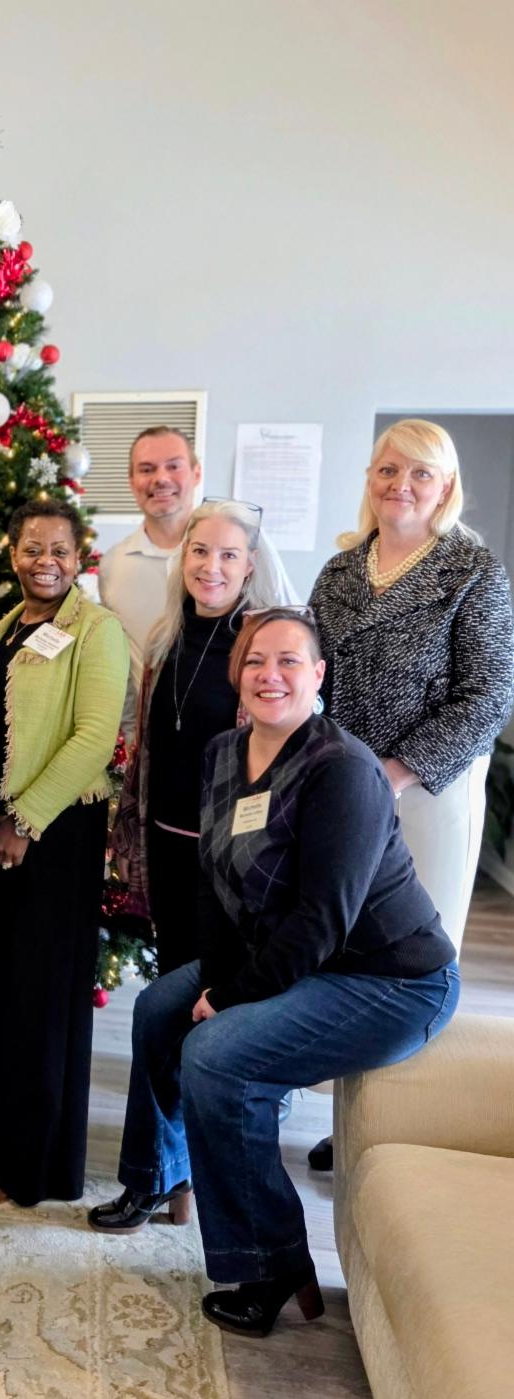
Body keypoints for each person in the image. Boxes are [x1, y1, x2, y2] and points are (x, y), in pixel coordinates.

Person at [88, 609, 459, 1340]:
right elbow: (214, 882)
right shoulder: (226, 752)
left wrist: (230, 997)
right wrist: (212, 980)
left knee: (217, 1057)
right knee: (160, 1008)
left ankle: (271, 1262)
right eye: (256, 661)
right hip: (289, 952)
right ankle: (159, 1176)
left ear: (318, 675)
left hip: (389, 979)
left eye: (290, 661)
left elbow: (324, 920)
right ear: (239, 674)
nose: (271, 675)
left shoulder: (343, 769)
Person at [305, 418, 514, 1172]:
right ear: (370, 478)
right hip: (345, 786)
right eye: (389, 469)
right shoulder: (340, 570)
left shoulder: (473, 571)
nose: (402, 485)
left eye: (421, 472)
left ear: (445, 486)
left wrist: (398, 770)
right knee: (345, 952)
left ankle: (401, 1121)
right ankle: (350, 1114)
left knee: (411, 962)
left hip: (428, 790)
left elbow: (490, 694)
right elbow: (312, 672)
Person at [0, 500, 128, 1210]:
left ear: (78, 555)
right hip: (1, 825)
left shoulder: (96, 628)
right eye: (32, 548)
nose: (46, 561)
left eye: (59, 549)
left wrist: (25, 822)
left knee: (38, 996)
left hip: (56, 832)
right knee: (2, 987)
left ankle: (25, 1168)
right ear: (12, 553)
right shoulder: (4, 625)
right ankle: (2, 1135)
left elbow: (93, 739)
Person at [113, 499, 290, 972]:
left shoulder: (265, 646)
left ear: (250, 565)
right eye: (200, 551)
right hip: (165, 842)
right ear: (184, 556)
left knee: (222, 983)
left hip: (232, 853)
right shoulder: (164, 636)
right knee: (174, 976)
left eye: (229, 555)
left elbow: (289, 758)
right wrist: (128, 835)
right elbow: (147, 748)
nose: (211, 567)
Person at [98, 427, 202, 738]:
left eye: (173, 466)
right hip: (152, 741)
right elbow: (120, 666)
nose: (161, 478)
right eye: (147, 469)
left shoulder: (236, 551)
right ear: (132, 482)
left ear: (196, 473)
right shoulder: (114, 566)